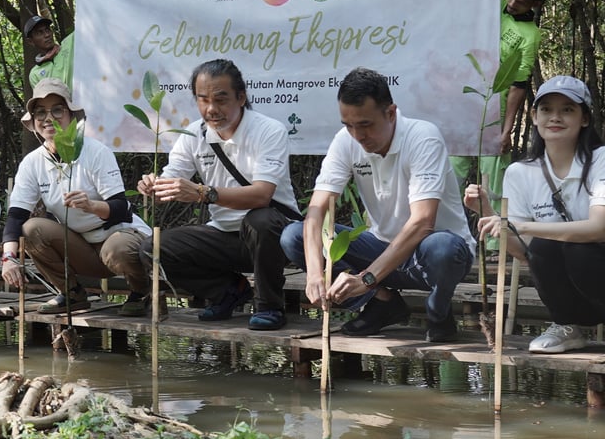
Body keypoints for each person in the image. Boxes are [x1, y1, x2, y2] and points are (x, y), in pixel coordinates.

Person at [281, 67, 475, 342]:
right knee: (293, 235)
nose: (357, 135)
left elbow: (422, 223)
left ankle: (439, 309)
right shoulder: (346, 141)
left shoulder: (422, 137)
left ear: (391, 113)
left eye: (365, 124)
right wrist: (314, 274)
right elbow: (316, 212)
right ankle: (383, 302)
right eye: (348, 125)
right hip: (381, 250)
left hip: (431, 257)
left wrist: (366, 279)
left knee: (443, 247)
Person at [129, 58, 301, 329]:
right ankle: (229, 291)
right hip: (224, 235)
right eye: (203, 100)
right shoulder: (193, 134)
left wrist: (203, 193)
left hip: (273, 239)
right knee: (154, 248)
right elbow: (173, 176)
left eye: (221, 100)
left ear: (241, 97)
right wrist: (153, 186)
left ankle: (270, 306)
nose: (211, 109)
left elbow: (261, 196)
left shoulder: (269, 131)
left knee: (261, 220)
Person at [467, 76, 605, 354]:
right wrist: (492, 215)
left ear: (585, 119)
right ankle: (567, 326)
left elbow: (599, 228)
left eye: (567, 109)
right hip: (575, 296)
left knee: (578, 249)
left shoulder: (601, 160)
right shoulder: (520, 173)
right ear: (534, 116)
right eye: (546, 109)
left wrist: (521, 225)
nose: (555, 117)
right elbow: (524, 252)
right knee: (541, 247)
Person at [0, 79, 151, 313]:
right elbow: (16, 217)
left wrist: (92, 206)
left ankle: (143, 291)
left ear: (72, 116)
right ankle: (71, 293)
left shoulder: (95, 152)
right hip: (81, 245)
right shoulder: (33, 162)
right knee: (31, 229)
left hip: (118, 236)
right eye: (40, 113)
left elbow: (121, 207)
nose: (48, 118)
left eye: (57, 110)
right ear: (33, 122)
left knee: (117, 250)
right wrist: (8, 258)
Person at [452, 0, 547, 206]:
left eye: (521, 1)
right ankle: (439, 232)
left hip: (497, 108)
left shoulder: (530, 35)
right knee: (450, 170)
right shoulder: (491, 8)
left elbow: (518, 84)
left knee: (492, 180)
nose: (513, 3)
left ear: (535, 4)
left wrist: (507, 130)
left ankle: (494, 244)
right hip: (465, 101)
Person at [25, 15, 74, 89]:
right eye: (39, 33)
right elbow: (46, 99)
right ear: (30, 41)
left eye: (47, 30)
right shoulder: (35, 74)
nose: (47, 35)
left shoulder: (69, 44)